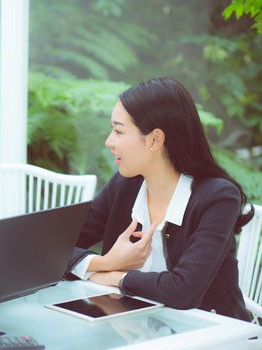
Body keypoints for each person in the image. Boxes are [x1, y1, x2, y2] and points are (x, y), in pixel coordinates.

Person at [69, 77, 253, 321]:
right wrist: (104, 262)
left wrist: (117, 277)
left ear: (155, 139)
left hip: (211, 332)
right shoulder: (125, 185)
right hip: (132, 326)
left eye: (118, 131)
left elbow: (183, 291)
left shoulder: (217, 197)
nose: (109, 141)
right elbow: (49, 250)